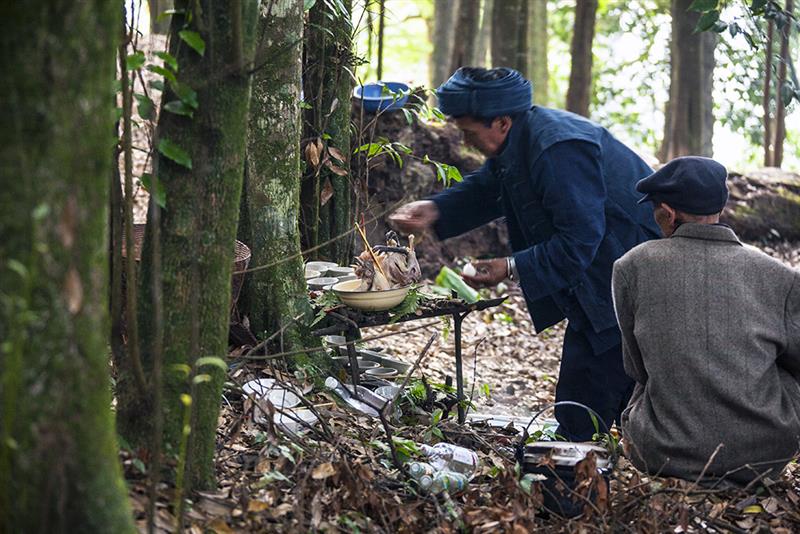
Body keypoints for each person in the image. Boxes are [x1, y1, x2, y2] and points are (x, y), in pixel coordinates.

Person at [390, 67, 661, 440]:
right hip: (600, 277)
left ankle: (580, 472)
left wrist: (511, 267)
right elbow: (490, 186)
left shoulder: (557, 149)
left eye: (469, 133)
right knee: (596, 394)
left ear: (501, 122)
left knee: (588, 399)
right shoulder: (521, 137)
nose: (466, 142)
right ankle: (594, 462)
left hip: (622, 278)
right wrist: (437, 209)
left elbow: (580, 239)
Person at [612, 156, 800, 484]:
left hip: (664, 451)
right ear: (720, 208)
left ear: (667, 214)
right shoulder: (779, 276)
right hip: (765, 456)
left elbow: (637, 368)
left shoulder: (631, 266)